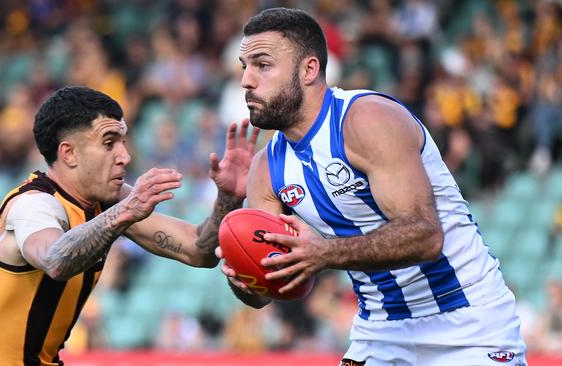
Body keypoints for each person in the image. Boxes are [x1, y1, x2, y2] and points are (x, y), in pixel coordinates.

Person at [217, 8, 527, 366]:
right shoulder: (266, 170)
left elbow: (426, 236)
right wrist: (245, 273)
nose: (246, 80)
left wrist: (323, 253)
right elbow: (264, 295)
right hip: (379, 331)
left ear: (309, 70)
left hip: (467, 321)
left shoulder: (367, 119)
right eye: (244, 66)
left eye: (262, 65)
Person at [0, 86, 259, 365]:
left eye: (123, 142)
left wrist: (228, 199)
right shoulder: (34, 205)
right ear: (69, 153)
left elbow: (198, 250)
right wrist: (127, 211)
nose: (125, 156)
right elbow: (54, 259)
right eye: (109, 143)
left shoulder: (107, 200)